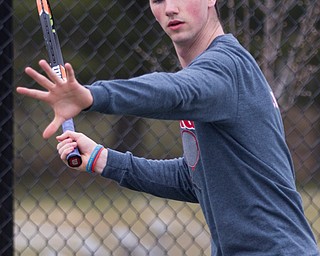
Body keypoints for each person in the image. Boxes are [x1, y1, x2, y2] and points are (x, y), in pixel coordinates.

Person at [17, 0, 319, 255]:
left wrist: (92, 96)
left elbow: (174, 91)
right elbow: (197, 177)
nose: (170, 8)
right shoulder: (215, 77)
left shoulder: (225, 68)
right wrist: (101, 158)